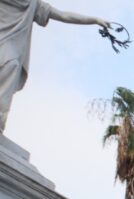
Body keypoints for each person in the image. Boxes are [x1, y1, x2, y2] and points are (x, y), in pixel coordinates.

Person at [0, 1, 112, 132]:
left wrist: (95, 20)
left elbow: (63, 16)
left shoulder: (33, 4)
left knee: (12, 65)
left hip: (11, 48)